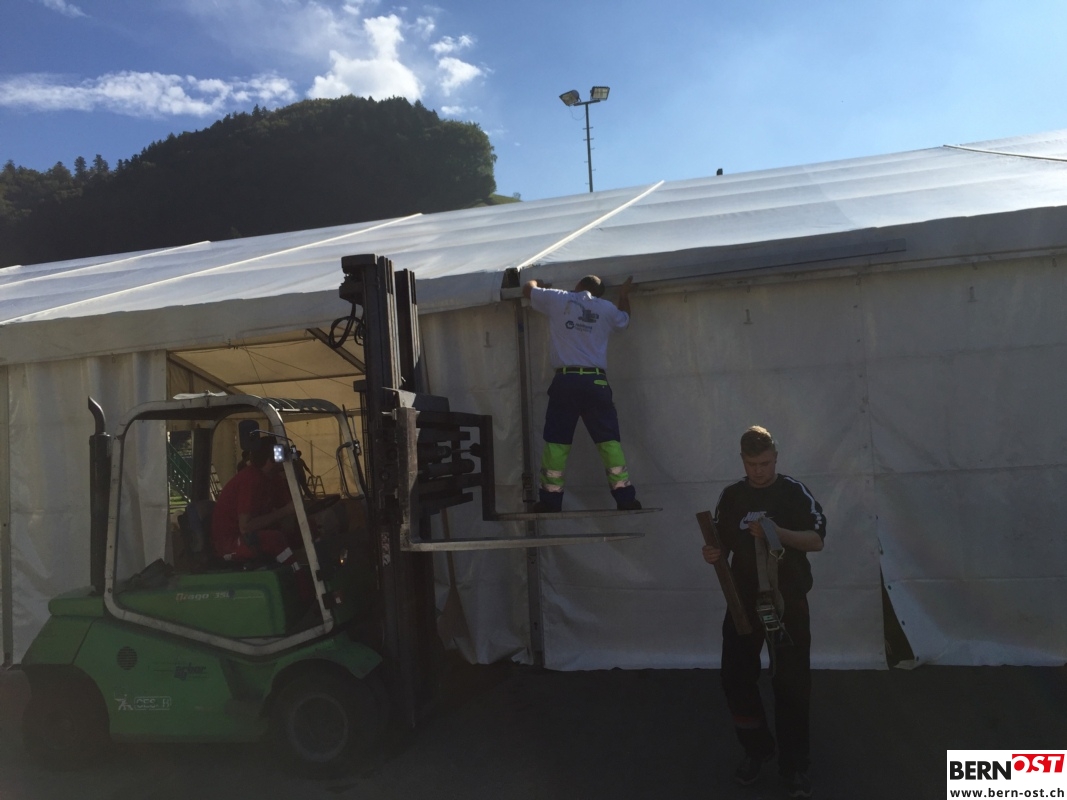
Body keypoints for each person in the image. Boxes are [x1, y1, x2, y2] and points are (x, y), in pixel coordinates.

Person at [701, 426, 826, 799]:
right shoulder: (732, 496)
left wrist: (778, 532)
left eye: (766, 463)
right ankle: (757, 749)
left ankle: (794, 766)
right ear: (742, 460)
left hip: (787, 600)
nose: (759, 471)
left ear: (776, 457)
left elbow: (817, 540)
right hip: (743, 601)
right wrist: (713, 553)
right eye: (752, 464)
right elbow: (721, 543)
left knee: (791, 683)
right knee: (735, 677)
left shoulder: (793, 492)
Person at [523, 274, 640, 512]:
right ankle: (626, 499)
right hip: (596, 382)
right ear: (599, 293)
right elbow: (625, 319)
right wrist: (624, 295)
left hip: (566, 381)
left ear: (577, 285)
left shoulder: (559, 298)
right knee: (608, 441)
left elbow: (527, 290)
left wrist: (537, 282)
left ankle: (550, 501)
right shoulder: (606, 308)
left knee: (557, 442)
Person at [212, 437, 300, 565]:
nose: (286, 458)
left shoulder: (274, 479)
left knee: (307, 529)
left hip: (252, 536)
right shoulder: (250, 480)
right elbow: (245, 527)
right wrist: (285, 511)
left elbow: (288, 510)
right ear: (270, 458)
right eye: (281, 453)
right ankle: (297, 573)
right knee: (274, 539)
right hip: (232, 542)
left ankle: (317, 569)